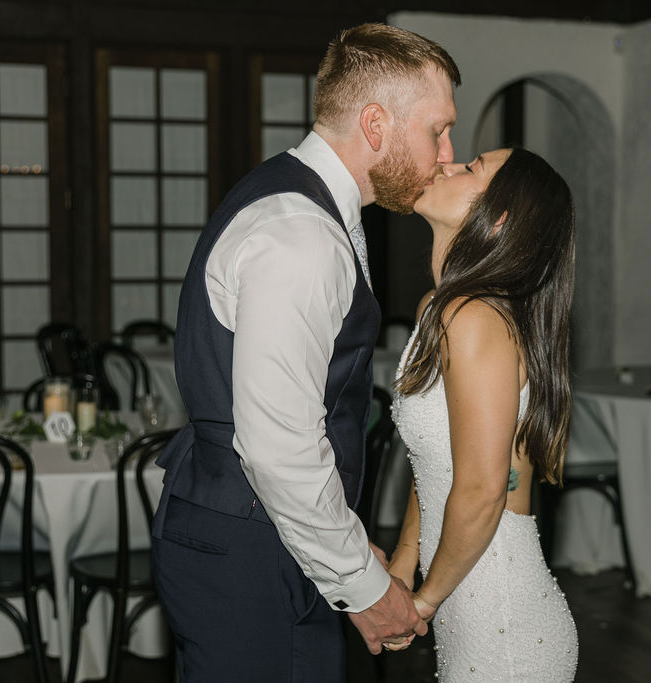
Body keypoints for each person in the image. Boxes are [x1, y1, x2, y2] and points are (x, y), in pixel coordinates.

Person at [150, 23, 460, 681]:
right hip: (252, 549)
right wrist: (364, 588)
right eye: (437, 129)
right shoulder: (303, 235)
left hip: (250, 534)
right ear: (376, 125)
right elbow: (280, 446)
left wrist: (345, 551)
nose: (446, 152)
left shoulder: (296, 202)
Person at [388, 147, 580, 681]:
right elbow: (441, 458)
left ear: (499, 219)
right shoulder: (439, 307)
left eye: (470, 167)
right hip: (469, 611)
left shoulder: (473, 317)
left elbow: (482, 488)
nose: (445, 164)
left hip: (505, 625)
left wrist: (421, 604)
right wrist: (405, 558)